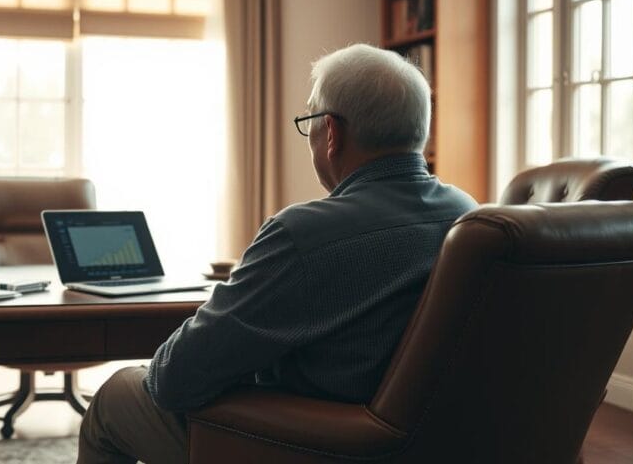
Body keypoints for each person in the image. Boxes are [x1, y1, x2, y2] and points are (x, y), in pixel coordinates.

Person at [77, 43, 478, 464]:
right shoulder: (469, 217)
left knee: (116, 396)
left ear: (332, 133)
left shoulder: (303, 234)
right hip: (432, 444)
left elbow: (174, 381)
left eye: (310, 124)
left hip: (312, 446)